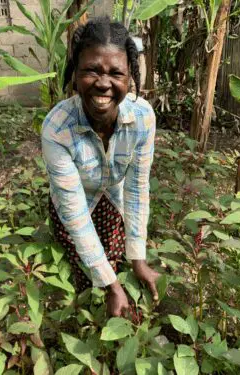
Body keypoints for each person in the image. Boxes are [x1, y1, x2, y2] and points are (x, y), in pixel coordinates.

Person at [42, 17, 159, 317]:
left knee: (116, 259)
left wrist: (138, 259)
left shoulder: (143, 118)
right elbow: (75, 212)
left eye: (116, 73)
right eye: (91, 70)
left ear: (129, 77)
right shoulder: (57, 128)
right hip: (75, 204)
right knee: (84, 276)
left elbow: (136, 188)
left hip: (112, 198)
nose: (103, 83)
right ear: (75, 73)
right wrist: (112, 286)